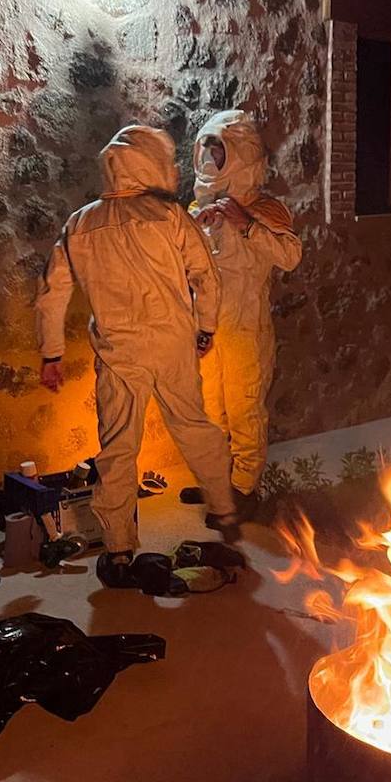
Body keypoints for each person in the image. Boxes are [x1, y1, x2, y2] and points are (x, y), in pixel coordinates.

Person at [35, 125, 239, 586]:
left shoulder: (81, 223)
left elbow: (51, 293)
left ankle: (119, 549)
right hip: (172, 346)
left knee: (118, 449)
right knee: (194, 425)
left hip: (118, 351)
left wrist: (52, 354)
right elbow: (205, 276)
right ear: (152, 163)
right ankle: (225, 510)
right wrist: (206, 327)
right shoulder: (169, 217)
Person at [186, 110, 302, 516]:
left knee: (244, 408)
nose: (210, 162)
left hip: (246, 326)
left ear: (240, 157)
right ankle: (219, 485)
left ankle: (245, 490)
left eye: (219, 155)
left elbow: (289, 256)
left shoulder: (264, 210)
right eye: (208, 153)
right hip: (208, 326)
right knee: (209, 409)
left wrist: (246, 224)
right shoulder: (195, 210)